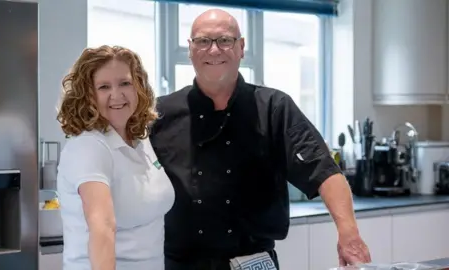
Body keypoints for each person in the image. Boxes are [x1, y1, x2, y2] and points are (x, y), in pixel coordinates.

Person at [149, 9, 371, 270]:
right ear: (190, 48)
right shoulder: (159, 114)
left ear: (241, 47)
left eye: (224, 40)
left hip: (253, 260)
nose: (213, 50)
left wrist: (349, 235)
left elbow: (324, 171)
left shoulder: (274, 108)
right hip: (178, 264)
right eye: (203, 41)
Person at [56, 45, 175, 270]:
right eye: (103, 87)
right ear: (88, 95)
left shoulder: (141, 141)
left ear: (138, 86)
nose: (116, 95)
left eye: (125, 83)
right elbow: (102, 227)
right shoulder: (89, 146)